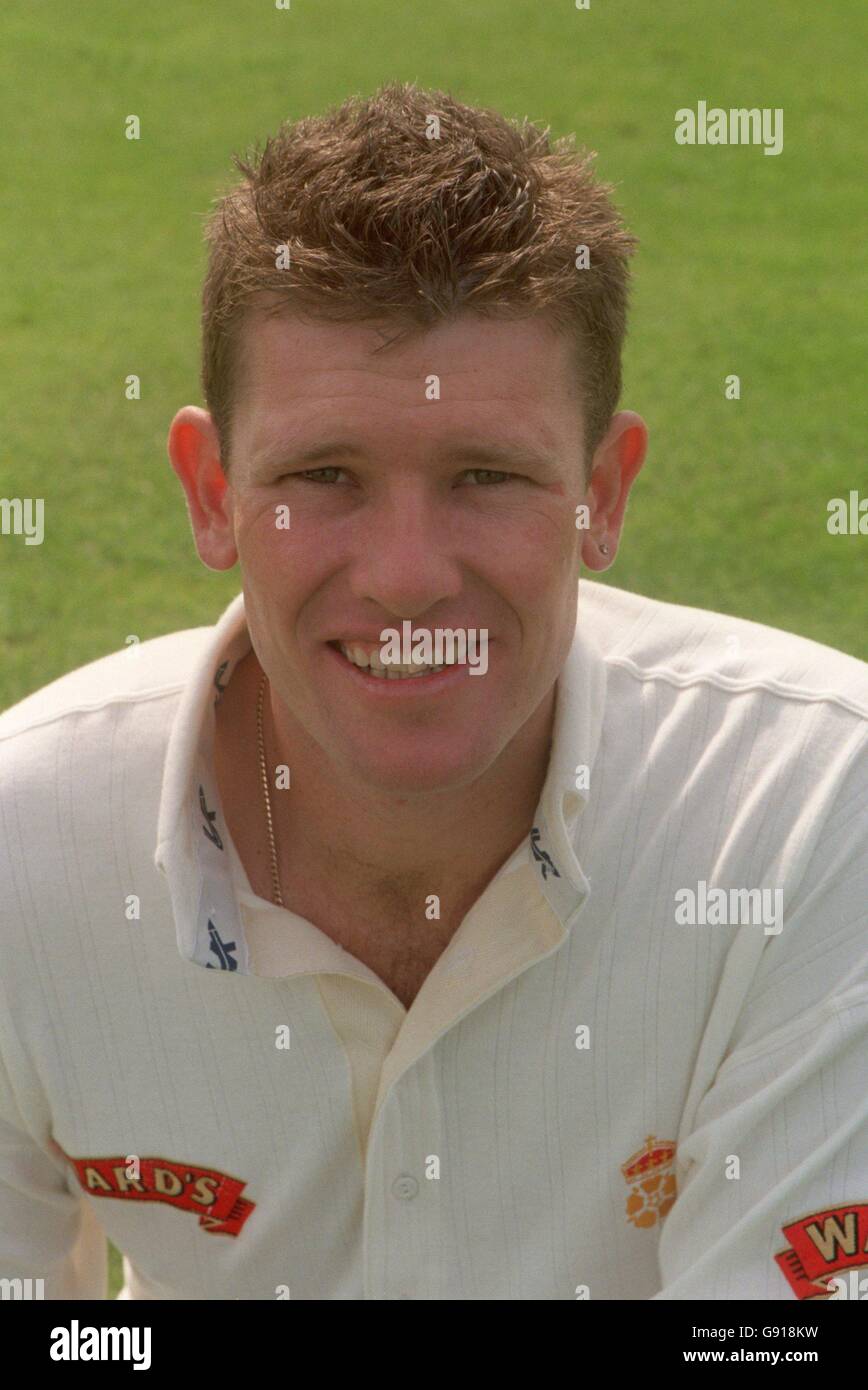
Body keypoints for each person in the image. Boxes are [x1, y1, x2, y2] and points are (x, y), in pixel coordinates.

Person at [0, 82, 865, 1302]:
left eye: (485, 476)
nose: (405, 577)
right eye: (325, 474)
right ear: (211, 492)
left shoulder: (816, 813)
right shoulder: (23, 846)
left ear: (602, 495)